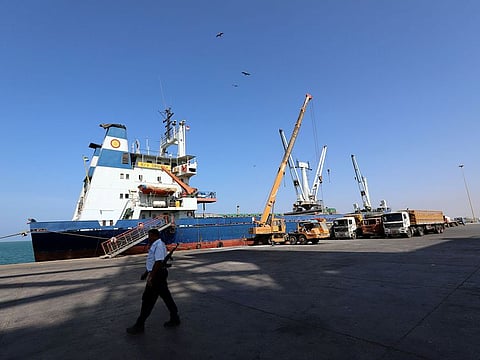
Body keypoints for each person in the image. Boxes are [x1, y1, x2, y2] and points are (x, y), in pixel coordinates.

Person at [126, 228, 180, 335]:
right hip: (158, 274)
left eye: (150, 236)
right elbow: (154, 262)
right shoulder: (156, 244)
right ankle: (175, 318)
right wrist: (146, 273)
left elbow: (158, 262)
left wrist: (150, 277)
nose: (148, 238)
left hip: (157, 275)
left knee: (148, 300)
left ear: (155, 236)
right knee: (166, 297)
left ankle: (139, 325)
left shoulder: (159, 245)